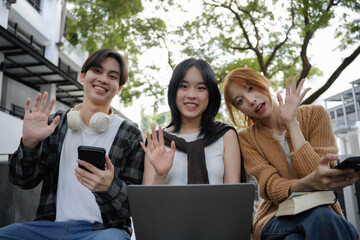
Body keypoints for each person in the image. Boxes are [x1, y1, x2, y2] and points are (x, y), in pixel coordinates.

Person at [0, 49, 144, 240]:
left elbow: (134, 206)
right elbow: (22, 180)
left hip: (102, 231)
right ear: (83, 75)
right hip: (49, 228)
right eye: (97, 71)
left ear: (119, 88)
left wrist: (109, 186)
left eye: (112, 76)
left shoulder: (130, 134)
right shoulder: (55, 124)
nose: (103, 79)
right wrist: (29, 144)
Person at [222, 67, 360, 240]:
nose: (250, 100)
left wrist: (292, 123)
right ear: (240, 109)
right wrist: (309, 182)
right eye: (240, 101)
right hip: (275, 218)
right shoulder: (245, 139)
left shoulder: (316, 115)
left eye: (250, 88)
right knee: (326, 220)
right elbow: (271, 187)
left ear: (263, 82)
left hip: (322, 212)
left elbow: (322, 177)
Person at [141, 58, 244, 185]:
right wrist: (160, 176)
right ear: (173, 91)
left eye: (201, 88)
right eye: (184, 86)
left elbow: (233, 197)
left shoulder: (225, 136)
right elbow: (149, 203)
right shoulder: (157, 141)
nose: (191, 95)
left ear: (210, 94)